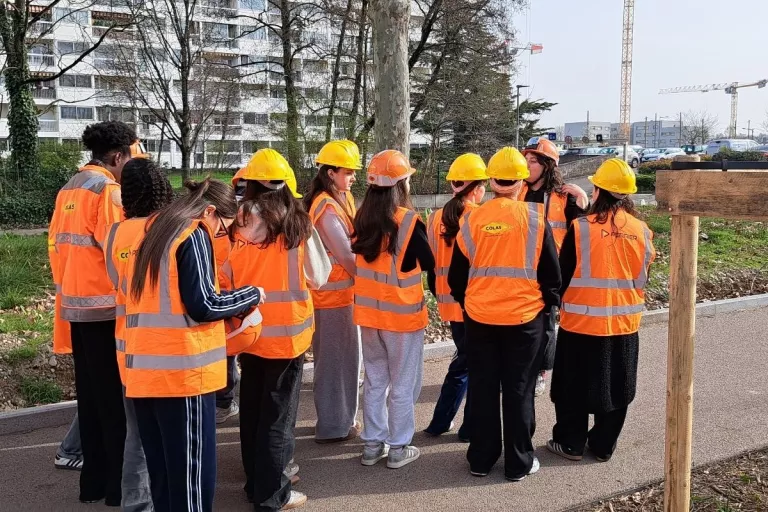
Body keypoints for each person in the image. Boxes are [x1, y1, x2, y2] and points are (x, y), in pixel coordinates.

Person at [124, 179, 264, 512]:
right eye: (223, 231)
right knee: (191, 483)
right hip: (183, 377)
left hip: (144, 375)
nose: (222, 239)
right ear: (211, 212)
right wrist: (252, 294)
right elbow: (204, 305)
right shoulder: (194, 233)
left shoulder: (156, 232)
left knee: (163, 480)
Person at [225, 148, 330, 511]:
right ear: (287, 186)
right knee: (278, 417)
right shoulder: (298, 224)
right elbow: (320, 276)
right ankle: (272, 496)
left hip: (248, 331)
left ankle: (256, 481)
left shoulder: (234, 223)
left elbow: (223, 274)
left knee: (252, 408)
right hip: (288, 336)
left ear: (249, 184)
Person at [449, 146, 561, 481]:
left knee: (483, 389)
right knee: (518, 389)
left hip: (480, 320)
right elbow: (552, 278)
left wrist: (473, 303)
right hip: (525, 321)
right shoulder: (536, 220)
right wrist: (546, 312)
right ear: (522, 181)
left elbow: (457, 278)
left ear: (492, 180)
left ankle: (481, 460)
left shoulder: (471, 219)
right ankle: (518, 463)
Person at [48, 120, 136, 505]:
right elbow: (120, 250)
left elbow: (55, 247)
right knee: (114, 405)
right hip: (105, 309)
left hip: (74, 308)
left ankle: (93, 485)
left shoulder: (69, 187)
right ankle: (117, 490)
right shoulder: (108, 191)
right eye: (129, 157)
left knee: (91, 399)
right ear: (117, 157)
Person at [547, 158, 655, 463]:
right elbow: (643, 275)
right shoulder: (643, 231)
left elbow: (562, 275)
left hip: (580, 324)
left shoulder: (581, 228)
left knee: (573, 387)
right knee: (618, 387)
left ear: (597, 191)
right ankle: (604, 445)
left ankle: (570, 444)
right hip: (623, 325)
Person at [352, 150, 435, 469]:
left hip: (369, 318)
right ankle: (398, 448)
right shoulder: (410, 221)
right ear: (401, 184)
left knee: (375, 380)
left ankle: (373, 444)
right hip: (402, 319)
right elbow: (429, 263)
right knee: (401, 384)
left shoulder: (361, 219)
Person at [103, 157, 174, 511]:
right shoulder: (170, 230)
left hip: (128, 348)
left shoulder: (116, 232)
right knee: (169, 438)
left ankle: (136, 503)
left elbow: (115, 281)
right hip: (167, 350)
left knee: (138, 435)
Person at [424, 153, 488, 442]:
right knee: (472, 365)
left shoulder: (435, 216)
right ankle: (465, 427)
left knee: (464, 360)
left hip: (447, 302)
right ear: (475, 188)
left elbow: (431, 262)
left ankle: (441, 423)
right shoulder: (477, 217)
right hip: (472, 302)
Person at [520, 137, 589, 397]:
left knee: (547, 324)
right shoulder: (519, 191)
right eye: (525, 159)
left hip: (552, 270)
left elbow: (582, 230)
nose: (527, 165)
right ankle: (523, 367)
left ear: (548, 166)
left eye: (533, 161)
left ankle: (540, 372)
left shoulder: (565, 195)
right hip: (521, 267)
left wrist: (583, 203)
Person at [304, 140, 363, 444]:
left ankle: (340, 420)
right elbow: (347, 257)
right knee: (335, 363)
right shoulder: (326, 208)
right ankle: (333, 426)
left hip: (341, 297)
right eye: (348, 171)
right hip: (332, 299)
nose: (354, 176)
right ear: (330, 172)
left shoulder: (341, 198)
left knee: (343, 361)